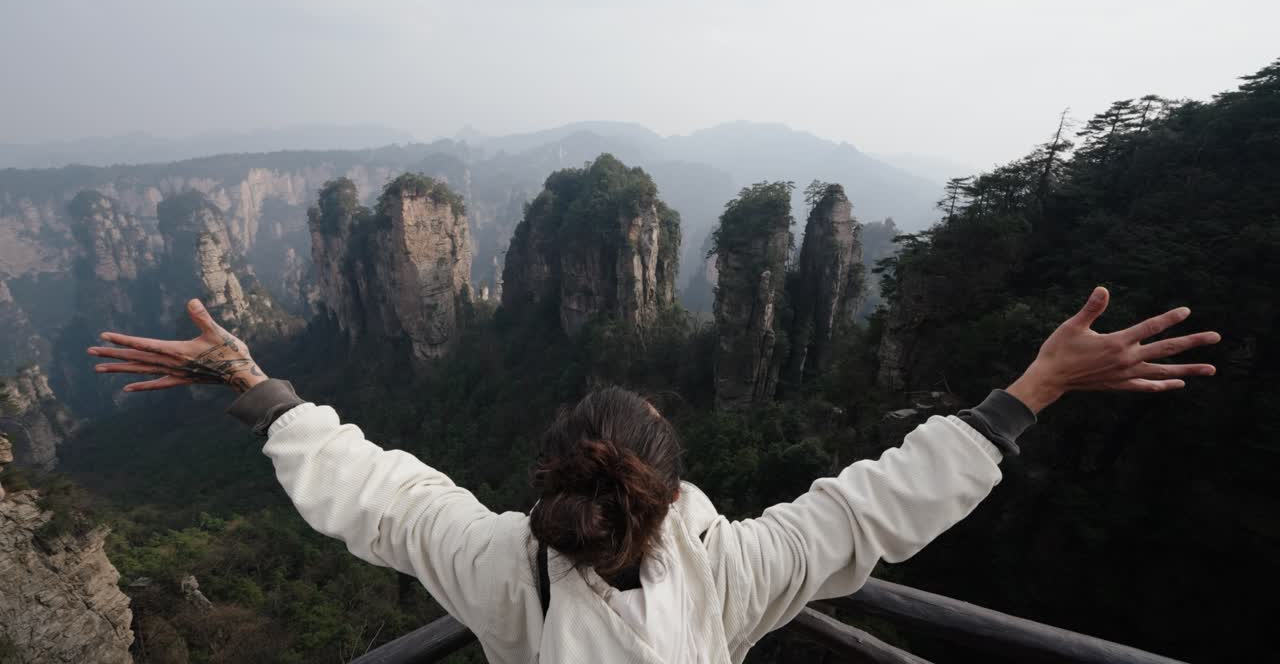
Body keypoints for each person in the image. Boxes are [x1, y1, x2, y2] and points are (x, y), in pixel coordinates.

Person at [89, 287, 1218, 664]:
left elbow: (372, 487)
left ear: (547, 475)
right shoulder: (741, 571)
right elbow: (875, 504)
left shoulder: (494, 565)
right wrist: (1027, 392)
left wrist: (251, 381)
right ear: (673, 487)